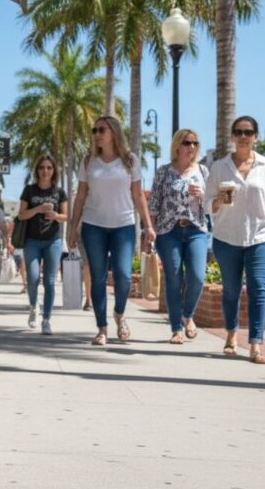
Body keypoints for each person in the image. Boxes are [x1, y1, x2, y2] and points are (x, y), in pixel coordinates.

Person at [204, 116, 265, 364]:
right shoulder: (219, 167)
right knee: (231, 290)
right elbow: (206, 204)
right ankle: (231, 334)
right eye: (238, 132)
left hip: (260, 237)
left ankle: (256, 345)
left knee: (258, 289)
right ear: (232, 136)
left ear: (255, 137)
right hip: (226, 238)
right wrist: (218, 201)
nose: (243, 136)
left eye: (248, 132)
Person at [69, 116, 155, 346]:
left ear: (114, 132)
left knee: (124, 275)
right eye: (94, 130)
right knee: (98, 278)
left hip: (123, 225)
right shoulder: (88, 161)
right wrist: (73, 228)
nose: (97, 134)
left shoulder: (129, 160)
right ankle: (102, 328)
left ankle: (119, 313)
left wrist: (148, 225)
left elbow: (138, 195)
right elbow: (80, 197)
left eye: (102, 130)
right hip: (93, 226)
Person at [148, 129, 211, 345]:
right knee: (174, 278)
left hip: (196, 230)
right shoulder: (164, 172)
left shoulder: (203, 171)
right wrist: (149, 231)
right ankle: (176, 328)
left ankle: (188, 315)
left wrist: (203, 195)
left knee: (197, 277)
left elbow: (212, 203)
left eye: (195, 143)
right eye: (186, 143)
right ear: (177, 145)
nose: (191, 147)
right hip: (168, 231)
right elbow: (154, 204)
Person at [18, 155, 68, 335]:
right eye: (41, 167)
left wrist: (55, 216)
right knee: (32, 278)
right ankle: (33, 306)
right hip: (32, 240)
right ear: (37, 170)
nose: (45, 171)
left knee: (50, 281)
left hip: (53, 241)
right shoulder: (29, 190)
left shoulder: (59, 192)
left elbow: (66, 216)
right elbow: (21, 215)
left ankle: (46, 319)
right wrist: (38, 209)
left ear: (54, 171)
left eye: (49, 167)